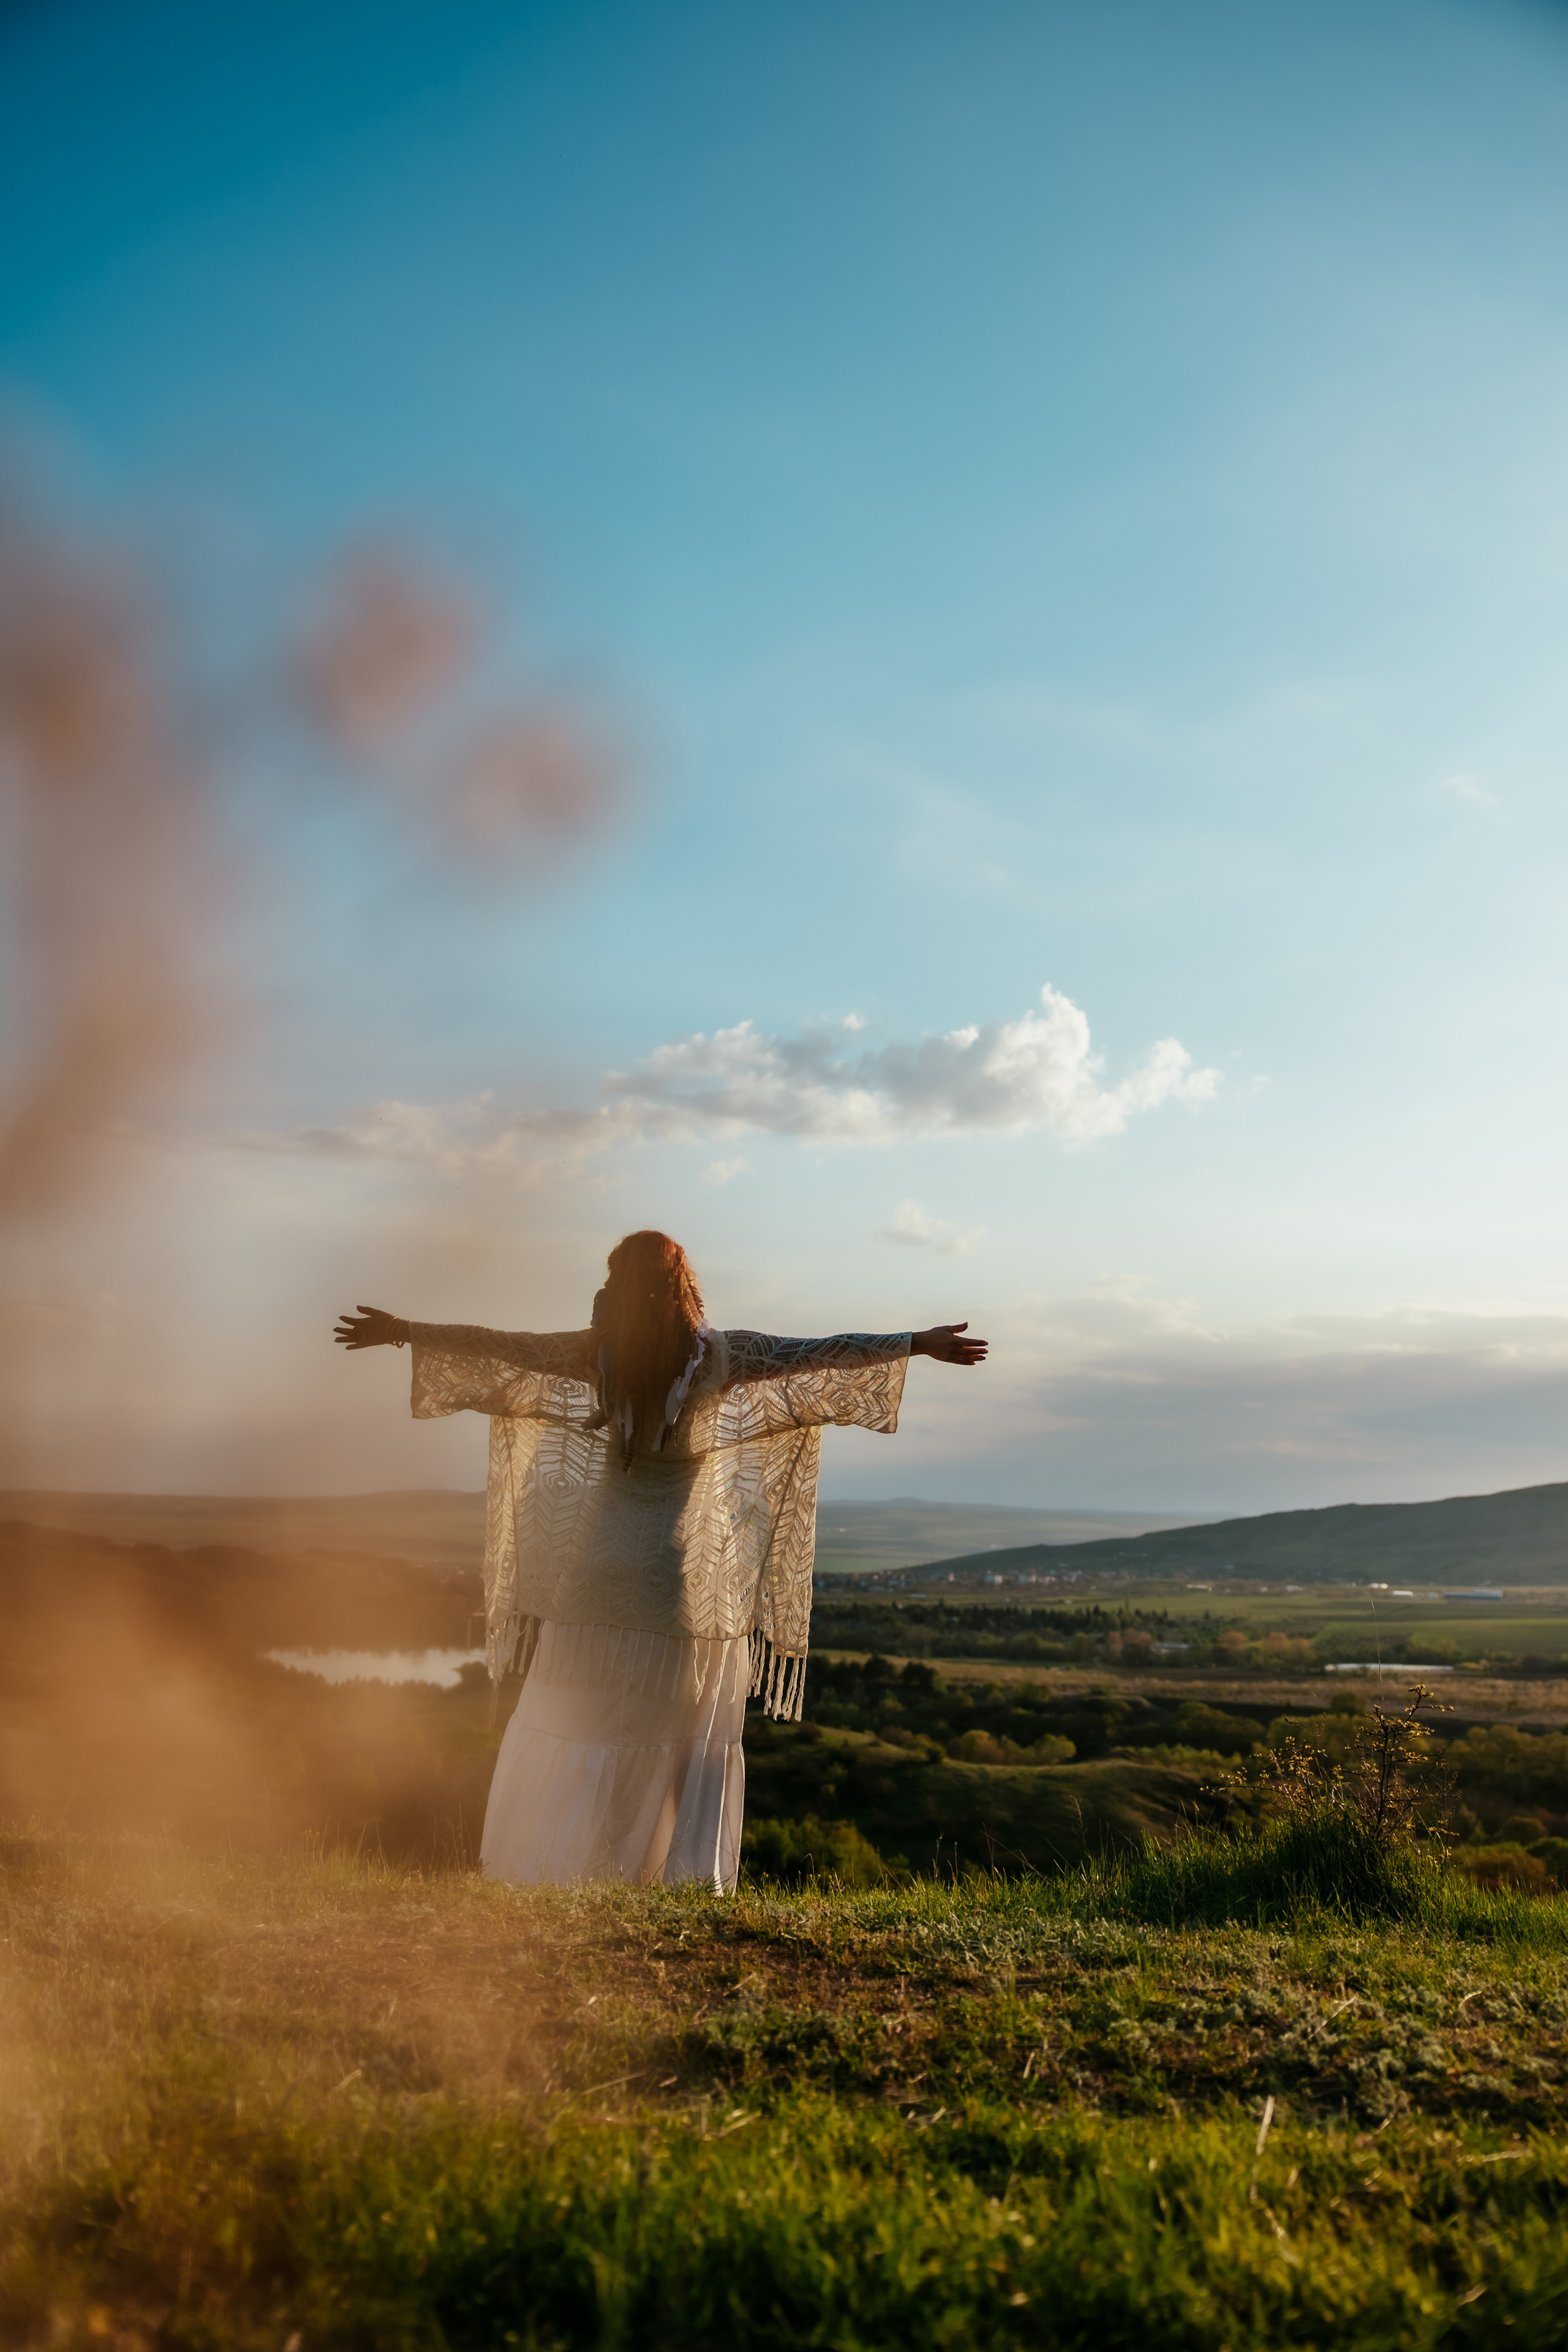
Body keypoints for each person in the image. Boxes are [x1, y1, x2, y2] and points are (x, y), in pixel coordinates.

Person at [334, 1228, 986, 1893]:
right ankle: (654, 1876)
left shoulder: (594, 1354)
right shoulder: (724, 1358)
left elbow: (498, 1345)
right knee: (665, 1734)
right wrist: (916, 1343)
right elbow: (819, 1354)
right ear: (684, 1285)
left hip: (593, 1575)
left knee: (581, 1721)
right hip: (670, 1579)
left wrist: (402, 1330)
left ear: (615, 1285)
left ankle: (559, 1870)